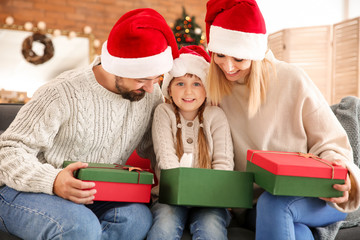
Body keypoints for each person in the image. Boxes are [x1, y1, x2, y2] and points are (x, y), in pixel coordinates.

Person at [0, 8, 179, 240]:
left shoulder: (149, 96)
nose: (150, 88)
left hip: (93, 195)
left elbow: (159, 151)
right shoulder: (61, 92)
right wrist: (53, 181)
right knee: (79, 225)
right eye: (142, 79)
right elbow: (7, 152)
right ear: (116, 67)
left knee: (137, 219)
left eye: (157, 79)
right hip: (25, 190)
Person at [205, 0, 360, 239]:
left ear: (254, 53)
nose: (227, 66)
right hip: (258, 204)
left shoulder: (291, 79)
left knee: (276, 204)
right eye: (220, 55)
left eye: (238, 58)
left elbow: (331, 142)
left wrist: (343, 175)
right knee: (292, 227)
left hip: (314, 196)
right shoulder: (215, 90)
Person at [146, 45, 234, 240]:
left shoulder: (216, 116)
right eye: (180, 83)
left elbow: (223, 163)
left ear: (206, 87)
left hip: (210, 200)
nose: (188, 91)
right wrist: (181, 193)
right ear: (169, 88)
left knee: (211, 228)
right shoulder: (164, 112)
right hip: (169, 199)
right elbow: (166, 159)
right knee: (164, 227)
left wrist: (210, 195)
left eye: (196, 83)